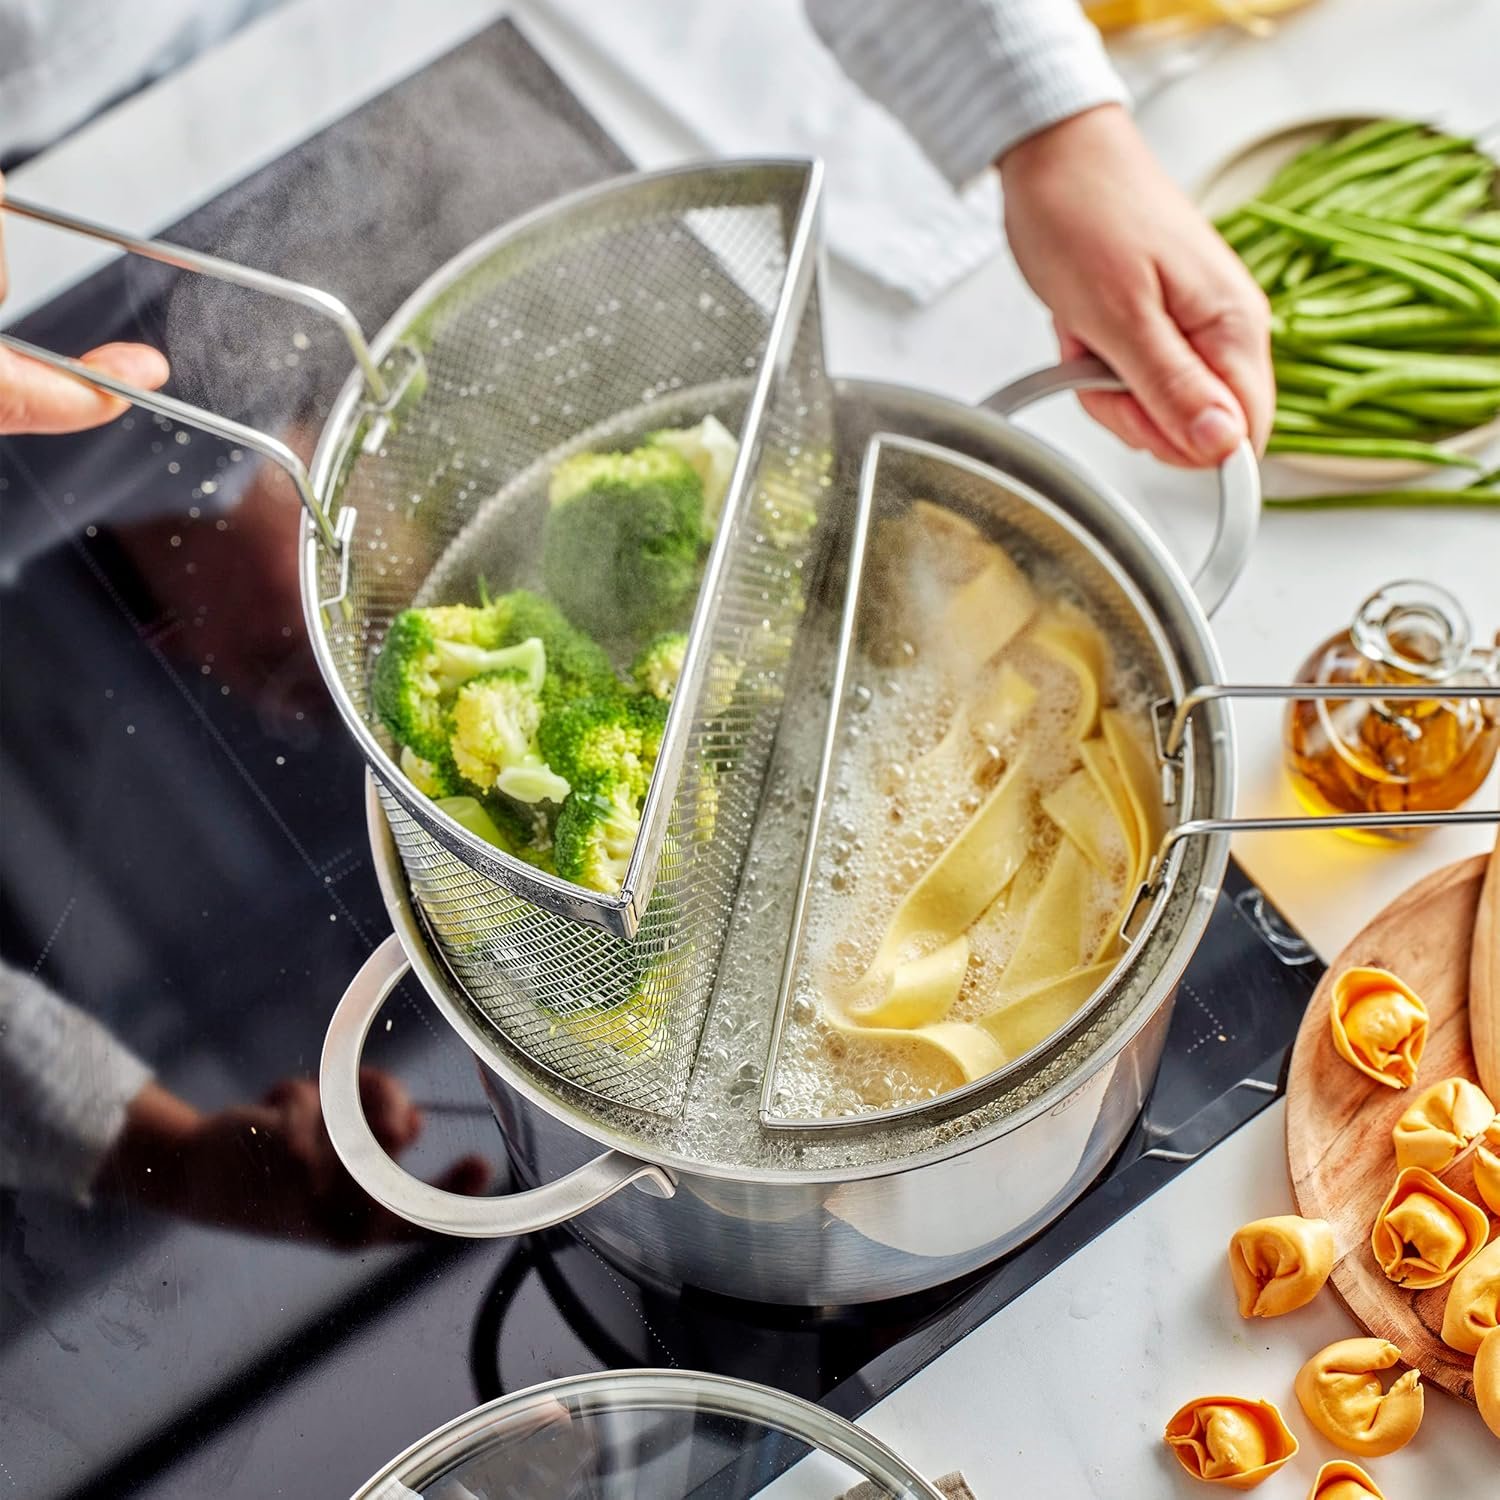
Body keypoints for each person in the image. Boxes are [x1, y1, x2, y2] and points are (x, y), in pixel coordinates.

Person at [1, 0, 1270, 1211]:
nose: (399, 582)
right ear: (175, 642)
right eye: (294, 674)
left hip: (274, 55)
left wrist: (1050, 129)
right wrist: (148, 1142)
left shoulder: (350, 292)